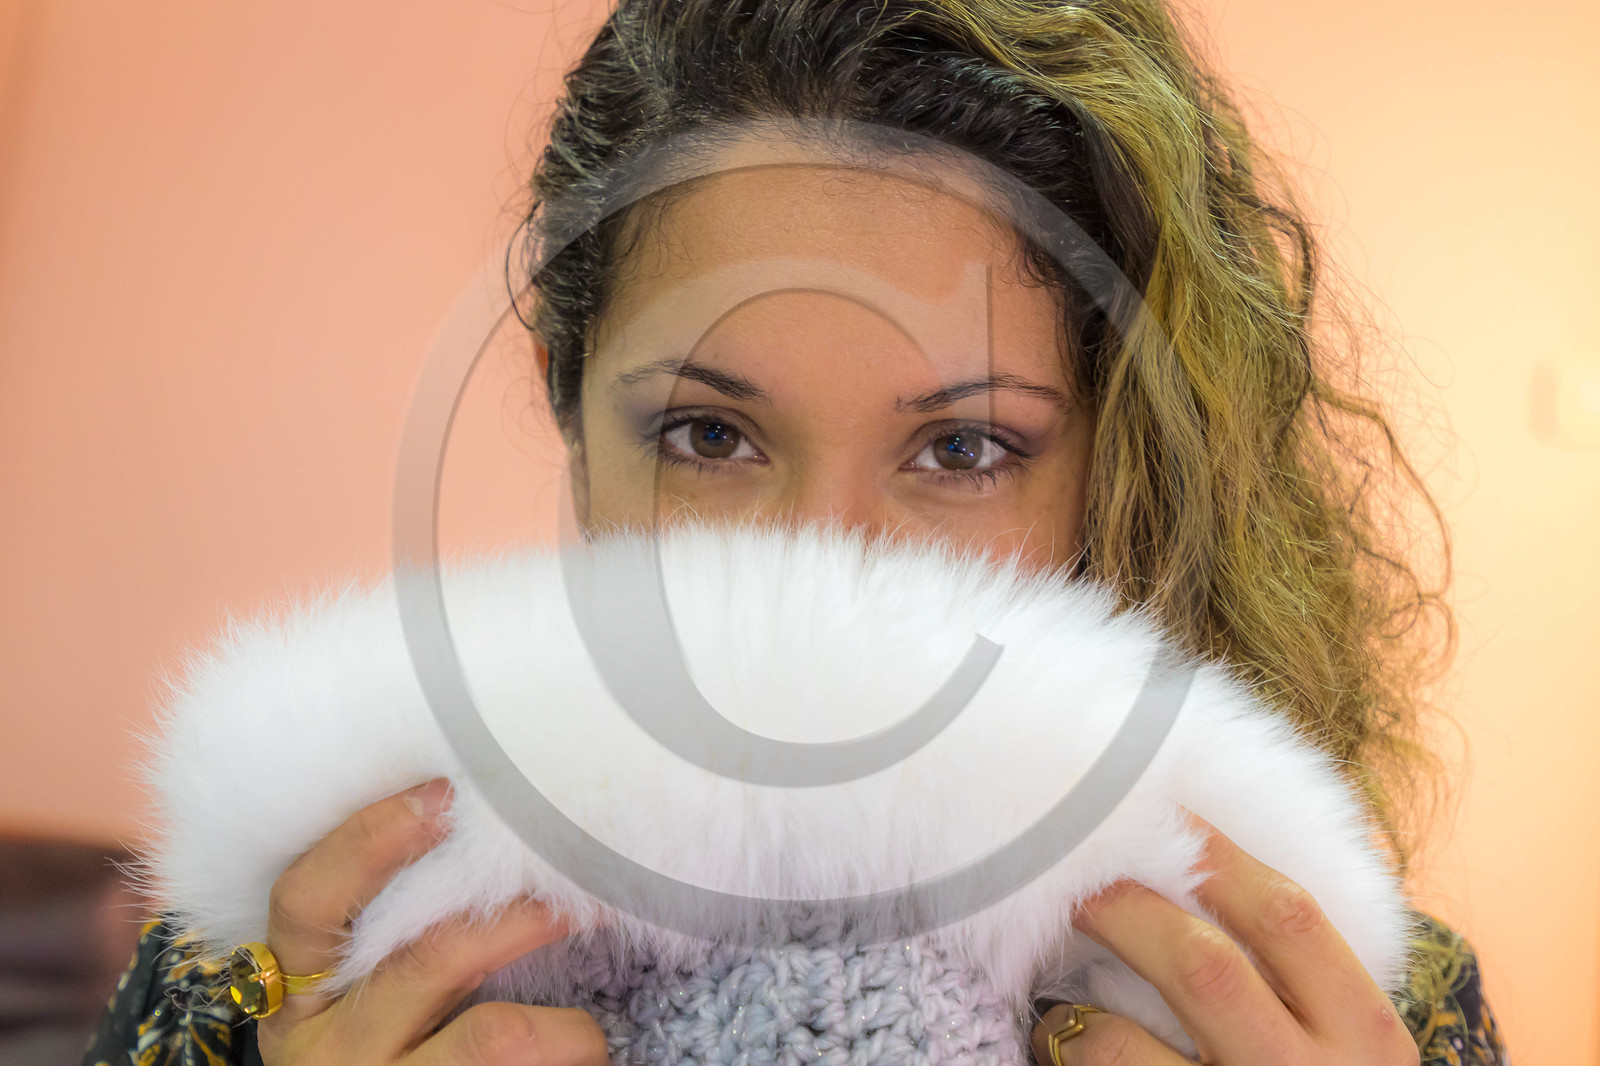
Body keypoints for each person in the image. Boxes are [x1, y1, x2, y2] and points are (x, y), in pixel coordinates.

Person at [84, 1, 1508, 1064]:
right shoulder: (285, 962)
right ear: (572, 412)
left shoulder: (1345, 1009)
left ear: (1112, 467)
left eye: (961, 449)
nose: (822, 564)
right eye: (710, 435)